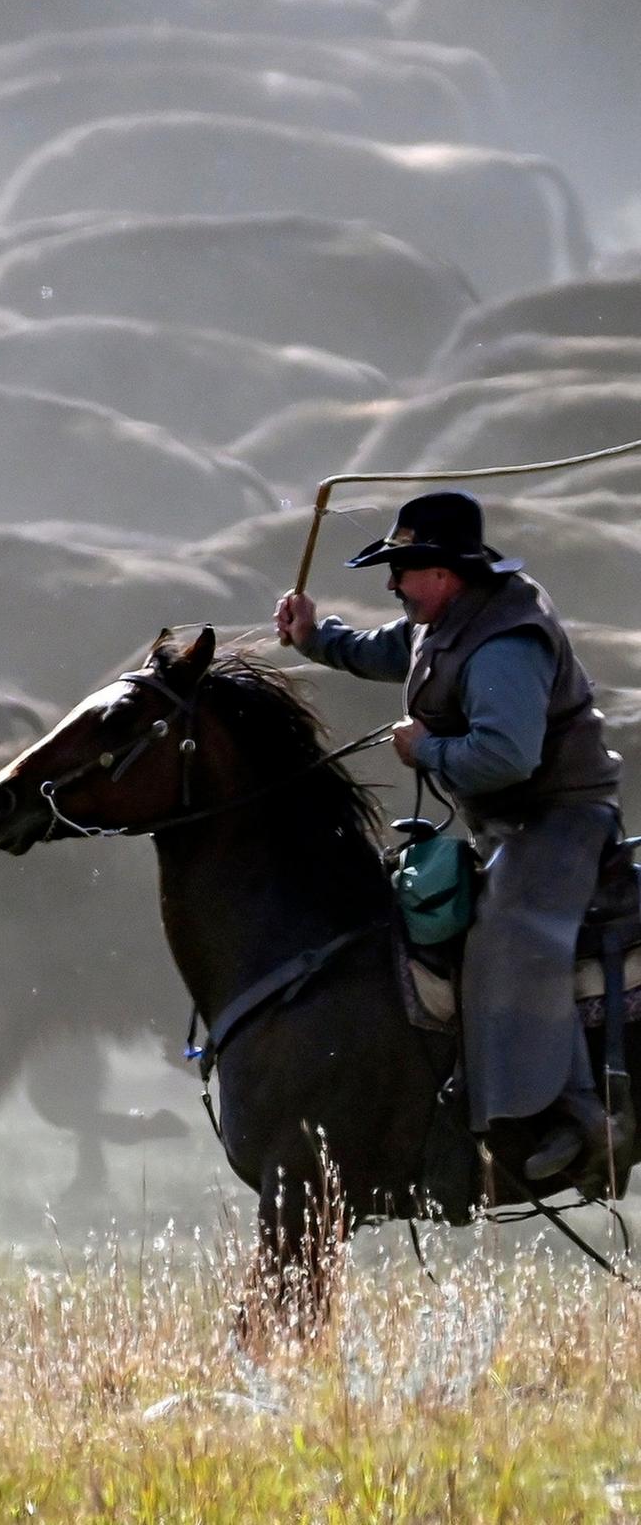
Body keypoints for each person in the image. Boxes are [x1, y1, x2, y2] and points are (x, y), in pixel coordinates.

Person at [275, 490, 629, 1186]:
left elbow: (508, 756)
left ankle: (579, 1114)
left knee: (508, 935)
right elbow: (391, 650)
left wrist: (429, 750)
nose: (393, 583)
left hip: (558, 822)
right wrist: (316, 638)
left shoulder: (505, 643)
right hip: (506, 825)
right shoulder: (446, 618)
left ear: (444, 571)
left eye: (403, 569)